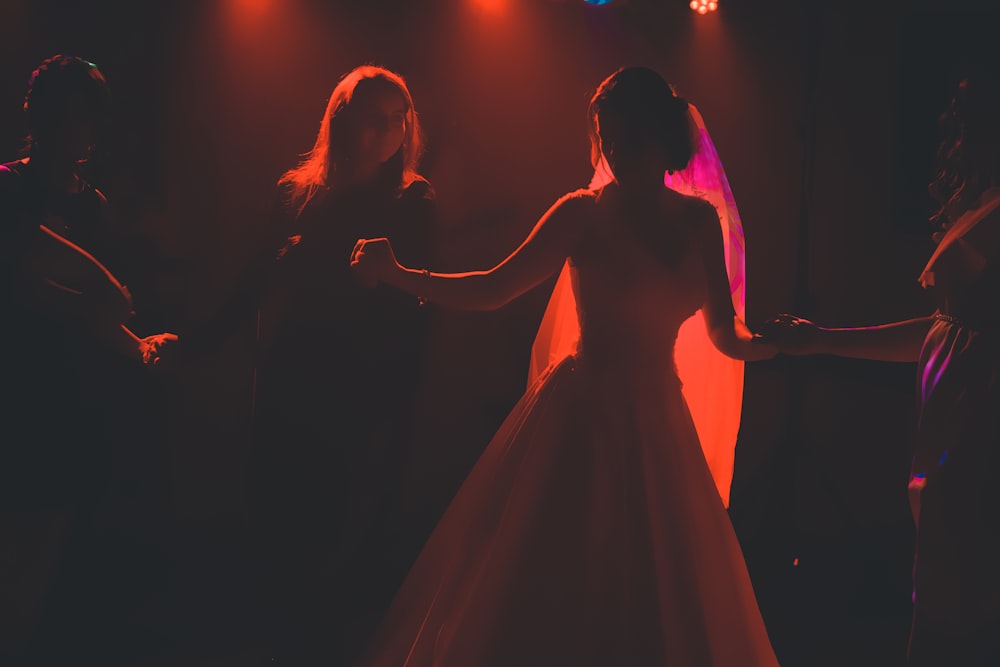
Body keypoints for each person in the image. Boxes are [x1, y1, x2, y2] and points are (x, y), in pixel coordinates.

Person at [349, 65, 780, 667]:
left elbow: (723, 334)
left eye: (623, 136)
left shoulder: (700, 221)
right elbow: (494, 287)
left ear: (657, 136)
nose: (611, 151)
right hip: (581, 414)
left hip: (659, 419)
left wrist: (776, 343)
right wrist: (400, 276)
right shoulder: (583, 213)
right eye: (604, 138)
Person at [170, 63, 437, 666]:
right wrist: (194, 345)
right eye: (375, 117)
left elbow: (415, 311)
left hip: (357, 390)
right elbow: (254, 280)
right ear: (342, 122)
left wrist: (398, 407)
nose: (390, 130)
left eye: (400, 118)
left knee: (330, 542)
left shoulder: (411, 199)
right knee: (273, 527)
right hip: (292, 376)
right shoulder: (302, 191)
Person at [763, 60, 1000, 666]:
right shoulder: (984, 201)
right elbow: (941, 329)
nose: (964, 135)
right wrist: (821, 339)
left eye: (975, 120)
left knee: (962, 604)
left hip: (978, 433)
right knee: (944, 597)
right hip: (952, 423)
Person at [0, 54, 176, 666]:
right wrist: (100, 297)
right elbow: (21, 283)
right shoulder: (9, 186)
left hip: (75, 398)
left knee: (60, 560)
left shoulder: (92, 203)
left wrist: (137, 347)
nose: (82, 133)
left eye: (88, 119)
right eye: (69, 116)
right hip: (19, 390)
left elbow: (102, 316)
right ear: (38, 115)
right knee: (20, 551)